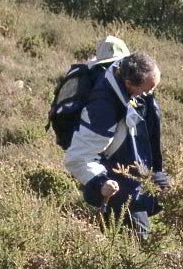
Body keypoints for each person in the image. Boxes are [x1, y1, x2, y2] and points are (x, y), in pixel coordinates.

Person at [64, 51, 169, 238]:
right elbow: (77, 158)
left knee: (172, 195)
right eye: (146, 90)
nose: (149, 94)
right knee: (139, 239)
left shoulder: (128, 73)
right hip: (117, 182)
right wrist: (100, 183)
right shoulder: (102, 109)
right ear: (129, 84)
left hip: (139, 168)